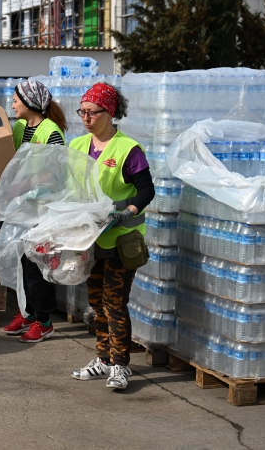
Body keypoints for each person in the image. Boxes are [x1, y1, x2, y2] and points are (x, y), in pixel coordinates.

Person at [68, 82, 155, 390]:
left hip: (121, 239)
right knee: (95, 301)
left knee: (114, 302)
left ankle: (120, 365)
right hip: (90, 238)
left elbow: (147, 190)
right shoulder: (77, 146)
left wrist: (127, 212)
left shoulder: (127, 149)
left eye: (92, 112)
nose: (86, 118)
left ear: (110, 112)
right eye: (83, 111)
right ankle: (103, 359)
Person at [2, 79, 67, 342]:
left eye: (17, 98)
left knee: (36, 266)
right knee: (20, 262)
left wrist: (26, 185)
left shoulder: (51, 132)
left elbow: (57, 174)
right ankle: (26, 313)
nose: (13, 103)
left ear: (30, 102)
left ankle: (45, 321)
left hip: (44, 208)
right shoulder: (19, 127)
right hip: (21, 206)